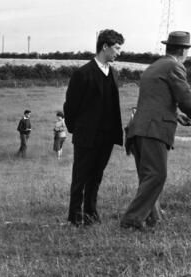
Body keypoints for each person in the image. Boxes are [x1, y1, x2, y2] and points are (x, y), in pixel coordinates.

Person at [120, 31, 191, 231]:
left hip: (139, 128)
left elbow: (155, 98)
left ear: (168, 47)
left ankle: (154, 217)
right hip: (153, 129)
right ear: (183, 51)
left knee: (148, 175)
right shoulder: (175, 66)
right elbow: (186, 98)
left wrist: (175, 114)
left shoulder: (155, 66)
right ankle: (132, 220)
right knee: (157, 175)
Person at [63, 29, 124, 226]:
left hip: (106, 137)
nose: (119, 52)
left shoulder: (114, 73)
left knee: (96, 176)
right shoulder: (82, 74)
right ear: (104, 46)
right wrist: (78, 130)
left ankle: (90, 213)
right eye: (116, 48)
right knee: (80, 177)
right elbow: (70, 107)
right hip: (86, 136)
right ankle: (75, 216)